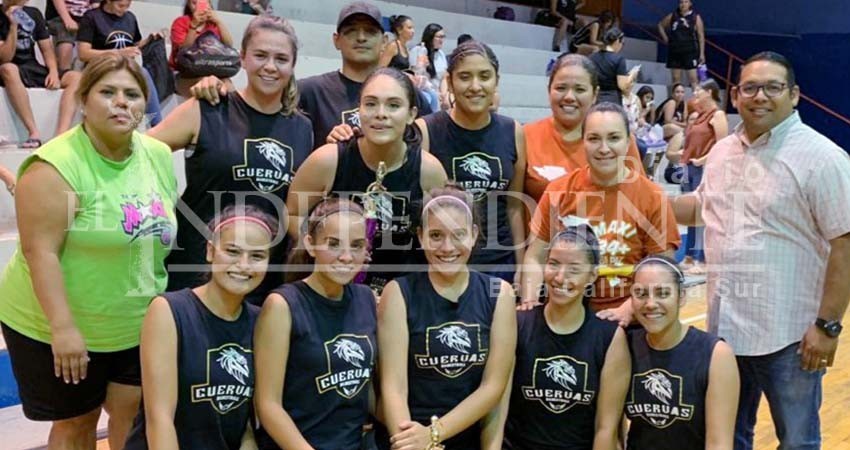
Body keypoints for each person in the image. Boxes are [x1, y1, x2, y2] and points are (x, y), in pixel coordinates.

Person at [672, 51, 850, 450]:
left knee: (797, 441)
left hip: (791, 336)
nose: (760, 96)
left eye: (773, 87)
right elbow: (703, 207)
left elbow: (845, 243)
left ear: (795, 94)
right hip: (726, 331)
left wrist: (828, 327)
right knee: (727, 437)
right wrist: (645, 201)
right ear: (735, 96)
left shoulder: (823, 158)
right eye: (750, 87)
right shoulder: (722, 152)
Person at [0, 54, 177, 450]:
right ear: (84, 100)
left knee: (131, 413)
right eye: (108, 92)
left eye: (132, 94)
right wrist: (63, 329)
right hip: (53, 323)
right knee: (77, 423)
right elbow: (39, 252)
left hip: (131, 319)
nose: (121, 102)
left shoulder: (158, 155)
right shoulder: (55, 165)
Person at [149, 15, 311, 301]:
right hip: (197, 270)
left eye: (281, 58)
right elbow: (142, 152)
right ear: (243, 58)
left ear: (292, 65)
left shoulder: (302, 128)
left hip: (262, 278)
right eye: (260, 55)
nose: (270, 66)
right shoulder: (208, 106)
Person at [124, 206, 276, 449]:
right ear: (210, 251)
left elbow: (244, 424)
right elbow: (160, 419)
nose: (244, 265)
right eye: (233, 251)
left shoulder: (262, 321)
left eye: (257, 256)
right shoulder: (169, 310)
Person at [377, 186, 517, 450]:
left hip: (466, 438)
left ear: (474, 235)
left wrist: (432, 435)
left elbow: (493, 387)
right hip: (407, 435)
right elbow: (394, 388)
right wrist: (410, 443)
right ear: (420, 236)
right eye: (436, 235)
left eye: (458, 235)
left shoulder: (500, 294)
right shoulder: (398, 293)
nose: (447, 247)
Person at [286, 67, 447, 293]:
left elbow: (440, 232)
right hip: (335, 290)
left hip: (403, 293)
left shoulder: (428, 171)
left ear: (411, 114)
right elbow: (293, 214)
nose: (381, 113)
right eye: (371, 104)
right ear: (358, 110)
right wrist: (328, 250)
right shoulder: (328, 160)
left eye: (393, 105)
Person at [522, 102, 680, 326]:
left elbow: (664, 269)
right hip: (567, 315)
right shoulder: (559, 191)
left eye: (614, 138)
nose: (604, 148)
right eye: (594, 138)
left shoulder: (652, 196)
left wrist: (627, 309)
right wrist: (530, 301)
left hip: (629, 320)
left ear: (628, 142)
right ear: (583, 142)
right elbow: (534, 257)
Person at [253, 198, 376, 450]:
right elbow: (267, 405)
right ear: (310, 244)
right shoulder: (282, 305)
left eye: (356, 246)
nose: (346, 256)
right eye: (333, 244)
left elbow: (369, 393)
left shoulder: (367, 299)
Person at [500, 226, 629, 450]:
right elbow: (497, 410)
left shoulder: (609, 338)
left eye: (574, 269)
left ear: (592, 276)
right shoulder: (519, 323)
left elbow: (606, 428)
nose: (560, 277)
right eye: (554, 264)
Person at [417, 40, 526, 283]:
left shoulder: (513, 131)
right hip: (444, 259)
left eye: (484, 76)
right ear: (450, 81)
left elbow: (514, 205)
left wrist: (521, 265)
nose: (475, 86)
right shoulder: (426, 130)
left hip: (499, 264)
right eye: (465, 77)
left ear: (496, 81)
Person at [625, 255, 739, 449]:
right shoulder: (624, 347)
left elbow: (719, 443)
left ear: (681, 296)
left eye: (662, 293)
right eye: (641, 293)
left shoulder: (716, 355)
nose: (651, 303)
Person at [523, 54, 644, 204]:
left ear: (594, 94)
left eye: (579, 90)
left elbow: (641, 200)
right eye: (561, 88)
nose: (569, 97)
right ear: (549, 90)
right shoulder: (525, 136)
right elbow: (512, 204)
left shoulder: (619, 139)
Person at [0, 0, 81, 148]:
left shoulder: (33, 14)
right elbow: (5, 57)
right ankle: (33, 132)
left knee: (76, 77)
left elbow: (46, 49)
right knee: (8, 68)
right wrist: (13, 26)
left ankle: (61, 134)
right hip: (10, 67)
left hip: (32, 66)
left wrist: (53, 72)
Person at [77, 0, 164, 127]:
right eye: (120, 6)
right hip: (101, 67)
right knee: (142, 73)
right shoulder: (92, 17)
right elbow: (83, 53)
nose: (123, 10)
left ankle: (154, 122)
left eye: (127, 6)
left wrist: (149, 40)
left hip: (125, 67)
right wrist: (118, 53)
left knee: (145, 73)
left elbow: (135, 45)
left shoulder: (130, 18)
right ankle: (157, 124)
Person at [674, 78, 726, 273]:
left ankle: (703, 260)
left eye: (699, 91)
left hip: (703, 168)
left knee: (703, 215)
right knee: (690, 214)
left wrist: (702, 160)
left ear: (710, 93)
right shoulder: (699, 116)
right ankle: (688, 256)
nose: (695, 94)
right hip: (689, 167)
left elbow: (721, 146)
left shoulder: (718, 115)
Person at [169, 0, 234, 96]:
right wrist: (193, 26)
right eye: (194, 3)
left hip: (212, 70)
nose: (198, 6)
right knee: (205, 84)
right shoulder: (181, 22)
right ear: (189, 5)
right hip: (184, 73)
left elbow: (228, 45)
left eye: (203, 2)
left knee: (228, 85)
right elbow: (184, 52)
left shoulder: (213, 25)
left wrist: (219, 22)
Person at [657, 0, 705, 88]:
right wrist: (666, 39)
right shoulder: (673, 15)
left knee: (693, 79)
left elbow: (701, 36)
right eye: (681, 2)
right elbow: (660, 25)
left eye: (686, 2)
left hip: (690, 51)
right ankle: (677, 101)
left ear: (690, 3)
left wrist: (702, 54)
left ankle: (697, 100)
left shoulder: (695, 17)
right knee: (676, 79)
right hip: (675, 51)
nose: (683, 4)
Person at [589, 27, 638, 105]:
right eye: (623, 43)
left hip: (594, 99)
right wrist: (632, 75)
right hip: (612, 100)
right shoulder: (619, 59)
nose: (622, 46)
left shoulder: (592, 57)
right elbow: (622, 86)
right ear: (617, 41)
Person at [45, 0, 96, 73]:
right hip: (61, 15)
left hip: (86, 16)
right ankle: (64, 72)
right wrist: (67, 19)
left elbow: (96, 4)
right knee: (66, 40)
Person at [409, 23, 448, 111]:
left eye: (443, 37)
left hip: (439, 92)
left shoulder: (441, 54)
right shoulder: (418, 50)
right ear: (430, 37)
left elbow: (444, 78)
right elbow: (416, 75)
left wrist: (444, 93)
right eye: (439, 37)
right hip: (424, 91)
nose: (441, 40)